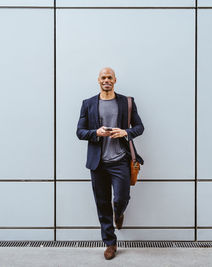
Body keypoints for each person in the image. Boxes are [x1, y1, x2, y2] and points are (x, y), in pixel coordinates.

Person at [76, 67, 144, 260]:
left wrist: (126, 132)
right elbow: (80, 131)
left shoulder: (126, 102)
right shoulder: (88, 104)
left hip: (120, 161)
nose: (107, 80)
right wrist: (95, 133)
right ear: (98, 80)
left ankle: (119, 213)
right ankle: (110, 243)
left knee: (121, 198)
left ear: (115, 80)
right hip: (98, 164)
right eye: (103, 77)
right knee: (102, 203)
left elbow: (140, 127)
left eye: (110, 77)